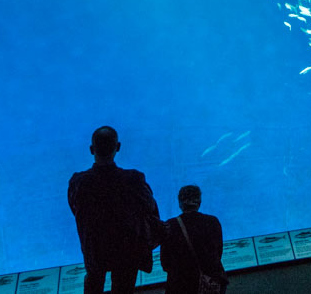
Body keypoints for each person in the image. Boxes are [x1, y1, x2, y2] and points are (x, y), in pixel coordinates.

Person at [68, 126, 161, 294]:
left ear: (91, 149)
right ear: (118, 147)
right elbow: (149, 206)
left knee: (94, 282)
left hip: (94, 249)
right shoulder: (133, 179)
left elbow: (75, 208)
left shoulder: (78, 182)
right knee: (124, 288)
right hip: (126, 250)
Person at [161, 185, 229, 294]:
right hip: (210, 283)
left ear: (180, 203)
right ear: (199, 202)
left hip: (180, 284)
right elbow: (218, 253)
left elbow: (165, 262)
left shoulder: (170, 225)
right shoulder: (213, 222)